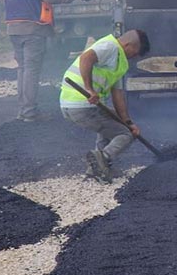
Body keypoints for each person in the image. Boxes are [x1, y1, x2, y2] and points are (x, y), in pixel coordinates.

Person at [3, 0, 89, 122]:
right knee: (31, 70)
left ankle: (22, 110)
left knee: (23, 69)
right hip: (32, 28)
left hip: (13, 28)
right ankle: (29, 112)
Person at [58, 29, 150, 182]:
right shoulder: (110, 46)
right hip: (81, 104)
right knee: (125, 134)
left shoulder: (120, 62)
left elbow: (117, 94)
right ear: (128, 45)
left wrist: (128, 122)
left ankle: (99, 166)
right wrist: (89, 89)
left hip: (78, 105)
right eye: (135, 52)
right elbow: (86, 58)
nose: (135, 56)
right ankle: (102, 160)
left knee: (115, 123)